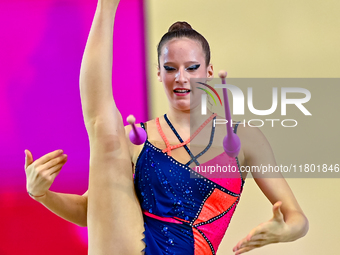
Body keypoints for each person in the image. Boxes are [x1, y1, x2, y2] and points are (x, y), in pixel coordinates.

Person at [24, 0, 309, 254]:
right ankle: (106, 6)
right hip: (135, 247)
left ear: (209, 72)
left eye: (192, 67)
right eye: (171, 68)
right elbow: (95, 211)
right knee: (105, 132)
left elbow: (297, 218)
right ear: (159, 73)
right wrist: (41, 194)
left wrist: (285, 230)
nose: (181, 78)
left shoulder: (243, 138)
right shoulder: (134, 139)